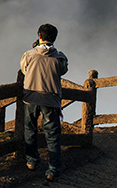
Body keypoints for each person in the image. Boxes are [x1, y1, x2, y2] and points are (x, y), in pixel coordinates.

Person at [20, 23, 69, 182]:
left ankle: (32, 160)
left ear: (39, 36)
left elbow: (24, 70)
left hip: (31, 96)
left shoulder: (28, 55)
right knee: (53, 134)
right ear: (54, 38)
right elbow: (63, 71)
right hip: (51, 99)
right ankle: (53, 168)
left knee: (30, 129)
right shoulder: (60, 57)